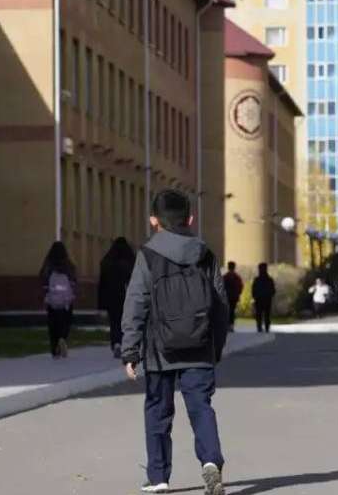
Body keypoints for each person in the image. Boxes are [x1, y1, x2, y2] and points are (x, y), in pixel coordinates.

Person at [121, 189, 229, 495]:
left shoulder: (148, 254)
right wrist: (215, 347)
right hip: (199, 348)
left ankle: (158, 477)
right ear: (190, 218)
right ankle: (211, 462)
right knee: (200, 407)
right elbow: (220, 303)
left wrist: (130, 350)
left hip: (159, 349)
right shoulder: (205, 254)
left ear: (154, 221)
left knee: (158, 410)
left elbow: (136, 302)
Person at [99, 237, 137, 358]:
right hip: (127, 296)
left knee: (114, 321)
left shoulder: (107, 262)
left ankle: (116, 343)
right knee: (126, 322)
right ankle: (125, 343)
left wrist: (101, 301)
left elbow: (102, 284)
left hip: (111, 296)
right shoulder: (130, 262)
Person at [39, 241, 77, 358]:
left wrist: (47, 293)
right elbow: (74, 282)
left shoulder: (48, 265)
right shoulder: (69, 265)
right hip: (66, 301)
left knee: (53, 324)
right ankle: (63, 337)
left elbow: (43, 280)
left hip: (52, 301)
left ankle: (55, 349)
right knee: (66, 321)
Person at [251, 263, 276, 333]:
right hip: (267, 299)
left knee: (259, 314)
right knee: (266, 314)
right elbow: (273, 290)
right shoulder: (269, 279)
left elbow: (253, 289)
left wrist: (254, 296)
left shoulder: (257, 280)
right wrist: (270, 295)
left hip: (259, 299)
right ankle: (266, 327)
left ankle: (259, 326)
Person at [223, 262, 244, 331]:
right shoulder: (236, 277)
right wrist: (238, 293)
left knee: (228, 311)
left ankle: (229, 325)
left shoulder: (225, 277)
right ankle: (230, 325)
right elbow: (240, 287)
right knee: (231, 311)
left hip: (228, 297)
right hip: (233, 297)